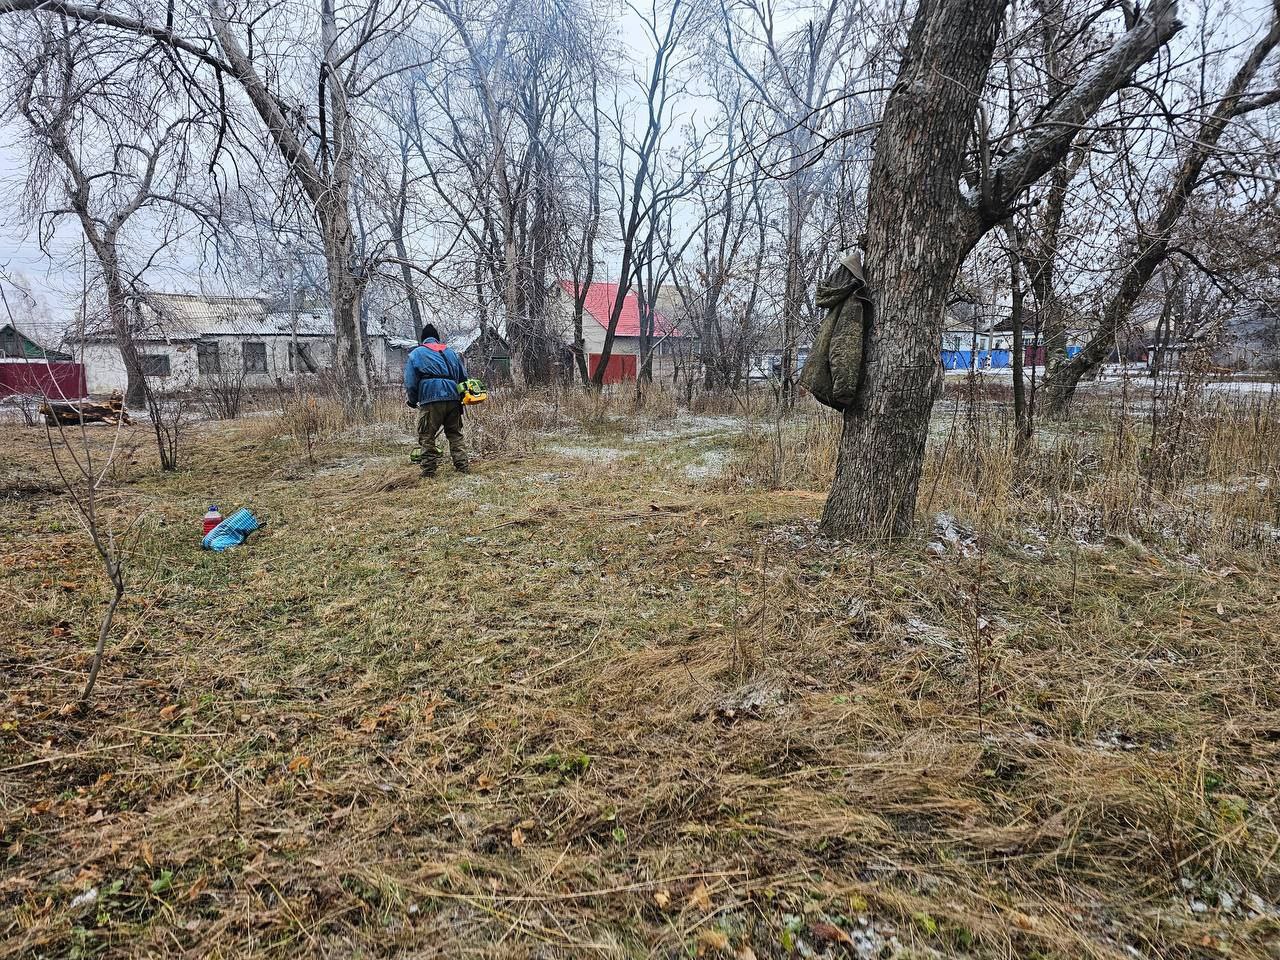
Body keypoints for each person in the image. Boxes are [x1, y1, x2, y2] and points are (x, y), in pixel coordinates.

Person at [404, 323, 469, 477]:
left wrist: (413, 400)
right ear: (437, 338)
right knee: (455, 434)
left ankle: (428, 470)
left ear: (423, 339)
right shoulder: (451, 353)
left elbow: (410, 382)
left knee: (427, 435)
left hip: (430, 398)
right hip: (453, 397)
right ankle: (462, 467)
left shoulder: (416, 353)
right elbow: (463, 378)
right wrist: (460, 396)